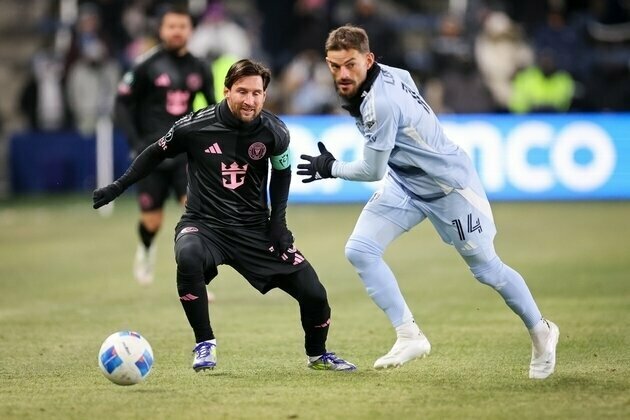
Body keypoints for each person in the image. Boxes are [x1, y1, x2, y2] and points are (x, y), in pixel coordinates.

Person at [297, 25, 559, 379]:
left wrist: (331, 167)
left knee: (486, 269)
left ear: (368, 59)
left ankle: (542, 331)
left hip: (450, 189)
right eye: (334, 66)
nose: (342, 74)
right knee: (360, 250)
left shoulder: (380, 104)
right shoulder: (393, 74)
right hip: (407, 183)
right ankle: (409, 335)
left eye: (350, 65)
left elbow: (372, 169)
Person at [93, 59, 356, 372]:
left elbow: (282, 173)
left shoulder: (274, 131)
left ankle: (318, 354)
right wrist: (118, 186)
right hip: (204, 225)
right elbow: (154, 153)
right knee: (188, 255)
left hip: (255, 230)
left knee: (314, 293)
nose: (250, 100)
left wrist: (278, 224)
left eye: (257, 93)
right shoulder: (194, 126)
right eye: (242, 91)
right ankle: (204, 343)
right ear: (227, 91)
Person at [115, 5, 216, 285]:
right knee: (152, 221)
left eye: (182, 27)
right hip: (152, 154)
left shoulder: (200, 67)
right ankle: (146, 249)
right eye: (171, 26)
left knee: (196, 216)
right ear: (161, 29)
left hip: (185, 154)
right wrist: (135, 142)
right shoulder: (146, 65)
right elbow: (122, 103)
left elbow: (211, 107)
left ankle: (199, 278)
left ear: (190, 30)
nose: (177, 32)